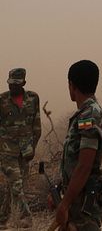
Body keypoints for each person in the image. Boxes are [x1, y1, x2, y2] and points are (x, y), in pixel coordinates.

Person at [51, 60, 102, 231]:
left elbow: (84, 165)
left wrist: (64, 204)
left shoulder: (89, 116)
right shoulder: (85, 114)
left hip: (84, 207)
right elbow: (74, 161)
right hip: (76, 202)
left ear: (72, 85)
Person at [0, 68, 42, 227]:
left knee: (16, 187)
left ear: (24, 83)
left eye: (16, 84)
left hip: (26, 151)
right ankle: (27, 218)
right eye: (10, 84)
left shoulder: (33, 98)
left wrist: (33, 147)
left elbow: (36, 125)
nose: (12, 87)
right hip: (6, 150)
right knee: (16, 184)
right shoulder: (2, 100)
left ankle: (2, 219)